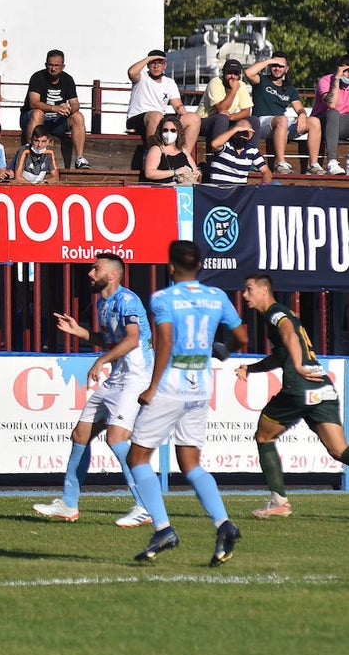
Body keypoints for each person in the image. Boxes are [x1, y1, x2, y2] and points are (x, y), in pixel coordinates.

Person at [128, 240, 248, 566]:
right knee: (191, 463)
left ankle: (163, 528)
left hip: (169, 387)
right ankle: (223, 524)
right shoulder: (217, 297)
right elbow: (242, 338)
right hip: (200, 389)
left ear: (170, 267)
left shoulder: (164, 298)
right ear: (200, 266)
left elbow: (165, 340)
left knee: (137, 456)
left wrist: (151, 387)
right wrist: (222, 350)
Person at [33, 253, 153, 527]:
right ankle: (68, 504)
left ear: (112, 275)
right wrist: (82, 333)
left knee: (116, 438)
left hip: (136, 377)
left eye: (95, 268)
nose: (89, 273)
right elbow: (110, 340)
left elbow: (133, 339)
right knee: (81, 432)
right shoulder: (103, 303)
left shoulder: (127, 300)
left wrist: (100, 361)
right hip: (118, 376)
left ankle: (144, 506)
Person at [237, 274, 349, 518]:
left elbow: (289, 333)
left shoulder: (275, 312)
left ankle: (279, 502)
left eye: (249, 289)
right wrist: (251, 369)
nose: (245, 295)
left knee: (264, 436)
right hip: (322, 386)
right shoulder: (277, 314)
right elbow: (279, 356)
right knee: (339, 451)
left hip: (300, 387)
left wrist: (297, 366)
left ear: (264, 291)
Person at [245, 54, 320, 175]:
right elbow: (248, 73)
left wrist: (302, 115)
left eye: (281, 66)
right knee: (282, 120)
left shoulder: (289, 88)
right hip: (261, 123)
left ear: (286, 69)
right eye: (274, 65)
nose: (277, 68)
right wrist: (269, 60)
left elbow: (300, 108)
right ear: (270, 66)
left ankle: (313, 165)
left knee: (314, 121)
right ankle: (280, 163)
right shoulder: (262, 80)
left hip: (281, 125)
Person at [125, 50, 202, 159]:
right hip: (138, 118)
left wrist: (180, 110)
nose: (156, 66)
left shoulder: (169, 82)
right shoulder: (141, 77)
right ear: (148, 65)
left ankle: (183, 157)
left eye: (159, 63)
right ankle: (152, 157)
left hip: (159, 119)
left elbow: (177, 104)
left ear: (164, 65)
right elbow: (131, 72)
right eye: (153, 62)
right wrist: (148, 58)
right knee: (156, 115)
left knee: (194, 118)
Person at [20, 49, 89, 169]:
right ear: (46, 65)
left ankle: (80, 158)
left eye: (57, 65)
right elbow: (33, 102)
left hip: (56, 122)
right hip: (33, 119)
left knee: (78, 116)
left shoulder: (68, 79)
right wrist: (54, 108)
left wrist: (68, 109)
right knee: (38, 113)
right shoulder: (37, 77)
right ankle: (30, 155)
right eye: (50, 65)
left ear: (63, 66)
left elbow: (75, 104)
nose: (53, 69)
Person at [196, 58, 255, 143]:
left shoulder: (241, 85)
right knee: (222, 118)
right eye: (230, 73)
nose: (232, 76)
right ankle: (219, 151)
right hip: (204, 121)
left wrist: (232, 117)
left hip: (226, 120)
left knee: (253, 120)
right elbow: (221, 109)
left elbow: (246, 111)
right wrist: (234, 90)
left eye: (236, 74)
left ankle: (252, 152)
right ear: (223, 73)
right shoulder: (215, 82)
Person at [308, 55, 349, 175]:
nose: (347, 75)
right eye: (345, 71)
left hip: (340, 125)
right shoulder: (326, 80)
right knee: (333, 113)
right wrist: (337, 79)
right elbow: (331, 104)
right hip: (321, 124)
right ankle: (332, 161)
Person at [140, 115, 199, 185]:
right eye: (165, 130)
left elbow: (195, 170)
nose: (169, 133)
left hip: (186, 188)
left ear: (178, 133)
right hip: (165, 188)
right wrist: (175, 172)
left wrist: (196, 174)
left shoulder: (183, 150)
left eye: (173, 130)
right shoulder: (156, 149)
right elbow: (149, 173)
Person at [207, 124, 272, 185]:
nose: (241, 136)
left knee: (276, 184)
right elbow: (214, 145)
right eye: (239, 132)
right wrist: (235, 129)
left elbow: (266, 172)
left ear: (250, 135)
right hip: (220, 190)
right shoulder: (225, 146)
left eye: (245, 133)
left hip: (240, 192)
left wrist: (263, 186)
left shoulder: (252, 150)